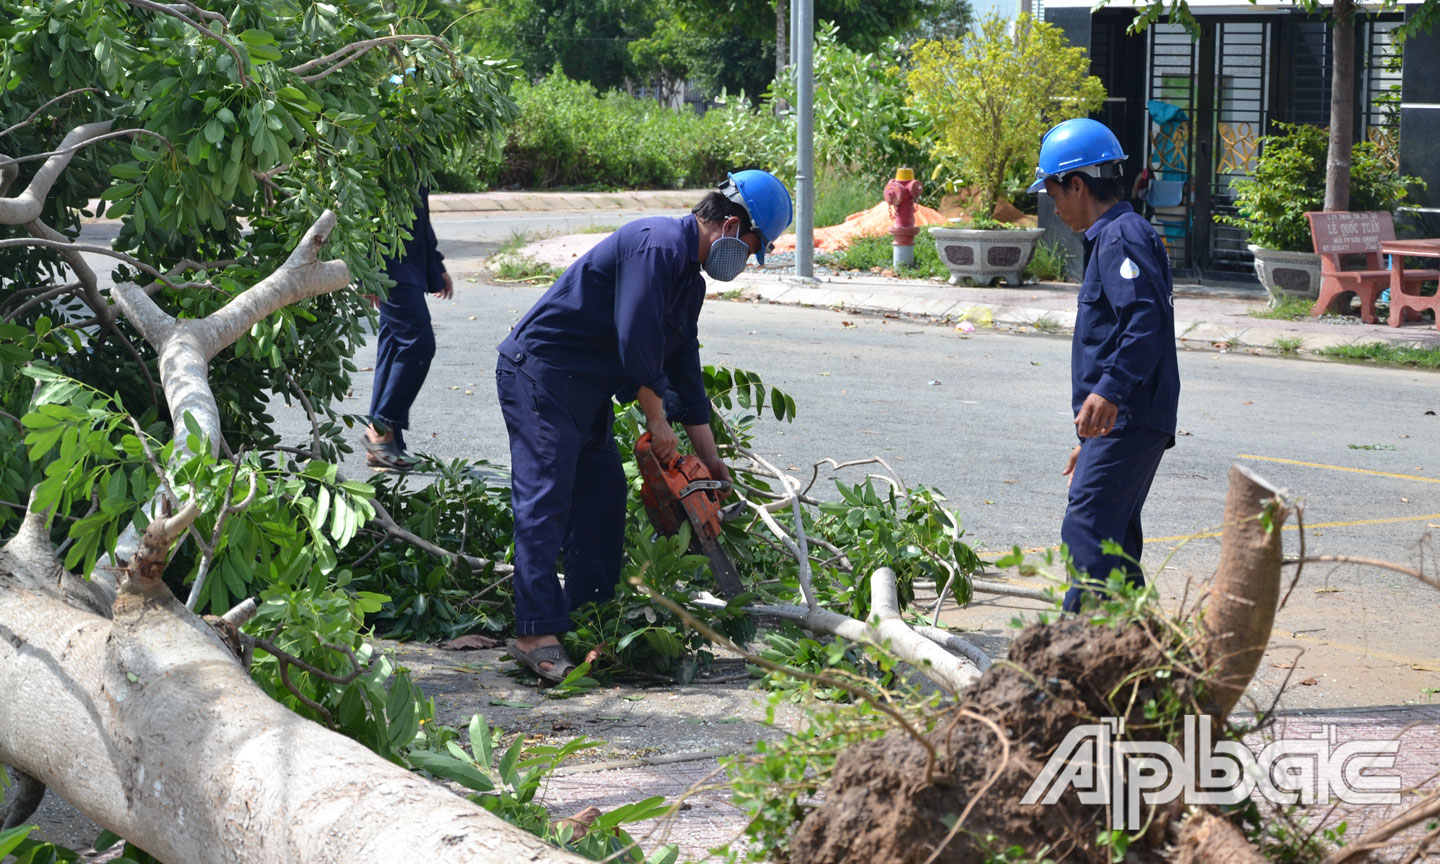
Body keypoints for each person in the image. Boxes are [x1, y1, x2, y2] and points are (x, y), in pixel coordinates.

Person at [496, 170, 793, 683]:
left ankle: (589, 619)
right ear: (728, 225)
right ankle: (535, 635)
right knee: (545, 500)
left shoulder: (688, 282)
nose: (747, 260)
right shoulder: (655, 244)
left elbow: (684, 369)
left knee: (604, 495)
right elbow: (636, 342)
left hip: (583, 392)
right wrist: (657, 421)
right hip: (540, 376)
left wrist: (709, 455)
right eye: (752, 247)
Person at [1027, 119, 1180, 613]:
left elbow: (1144, 321)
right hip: (1121, 420)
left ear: (1077, 184)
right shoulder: (1117, 235)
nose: (1054, 206)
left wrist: (1109, 393)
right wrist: (1089, 441)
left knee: (1088, 528)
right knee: (1112, 541)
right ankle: (1134, 663)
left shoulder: (1120, 238)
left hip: (1130, 415)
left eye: (1054, 193)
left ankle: (1080, 654)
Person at [363, 186, 453, 471]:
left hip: (408, 264)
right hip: (390, 265)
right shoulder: (384, 143)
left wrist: (434, 265)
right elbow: (361, 206)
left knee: (393, 348)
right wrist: (369, 269)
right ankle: (379, 430)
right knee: (419, 344)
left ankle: (384, 442)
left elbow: (419, 213)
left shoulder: (413, 146)